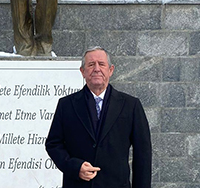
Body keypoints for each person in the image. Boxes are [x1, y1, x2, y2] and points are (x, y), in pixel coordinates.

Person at [45, 47, 152, 188]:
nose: (96, 69)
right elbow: (53, 144)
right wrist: (75, 167)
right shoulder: (66, 105)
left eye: (101, 64)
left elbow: (142, 153)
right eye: (91, 65)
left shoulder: (131, 105)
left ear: (111, 70)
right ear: (82, 72)